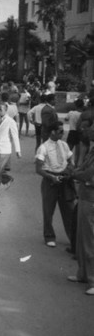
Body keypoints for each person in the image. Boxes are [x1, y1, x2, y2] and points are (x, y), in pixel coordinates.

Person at [35, 121, 76, 249]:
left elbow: (70, 160)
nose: (63, 134)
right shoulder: (43, 147)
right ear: (52, 132)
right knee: (48, 211)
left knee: (69, 211)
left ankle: (73, 239)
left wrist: (70, 169)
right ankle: (49, 236)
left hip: (64, 180)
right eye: (60, 131)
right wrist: (51, 177)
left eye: (63, 131)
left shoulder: (64, 145)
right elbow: (38, 169)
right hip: (50, 181)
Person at [69, 121, 94, 295]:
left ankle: (92, 278)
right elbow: (84, 168)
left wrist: (73, 173)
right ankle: (83, 273)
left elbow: (87, 174)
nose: (88, 131)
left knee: (89, 240)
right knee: (81, 238)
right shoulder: (91, 151)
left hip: (91, 199)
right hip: (85, 196)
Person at [0, 103, 22, 193]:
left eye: (0, 109)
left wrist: (18, 150)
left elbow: (15, 136)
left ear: (6, 110)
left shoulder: (11, 121)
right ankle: (7, 179)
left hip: (5, 150)